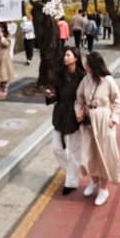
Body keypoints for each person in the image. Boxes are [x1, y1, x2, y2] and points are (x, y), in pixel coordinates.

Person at [76, 51, 120, 206]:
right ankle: (94, 181)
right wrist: (79, 111)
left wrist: (113, 119)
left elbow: (118, 101)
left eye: (87, 63)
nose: (85, 66)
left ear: (92, 65)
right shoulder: (85, 80)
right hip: (89, 120)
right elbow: (79, 99)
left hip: (104, 120)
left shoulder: (108, 80)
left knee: (104, 154)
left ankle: (104, 189)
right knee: (88, 154)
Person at [44, 47, 86, 195]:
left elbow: (85, 98)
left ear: (76, 58)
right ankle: (72, 171)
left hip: (75, 115)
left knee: (75, 151)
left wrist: (83, 113)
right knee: (56, 148)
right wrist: (50, 96)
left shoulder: (82, 76)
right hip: (60, 114)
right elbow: (57, 94)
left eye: (68, 55)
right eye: (65, 55)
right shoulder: (60, 74)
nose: (65, 57)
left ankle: (71, 182)